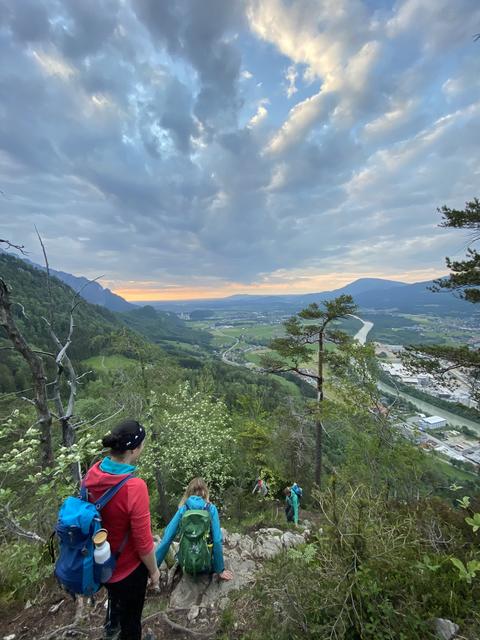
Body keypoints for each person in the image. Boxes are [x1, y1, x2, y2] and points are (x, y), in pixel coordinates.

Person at [83, 420, 158, 640]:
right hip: (127, 568)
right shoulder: (135, 487)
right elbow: (143, 543)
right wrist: (154, 571)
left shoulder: (92, 474)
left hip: (102, 563)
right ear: (134, 449)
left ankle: (111, 629)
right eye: (142, 444)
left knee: (116, 601)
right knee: (132, 622)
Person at [155, 477, 233, 581]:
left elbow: (167, 538)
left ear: (188, 492)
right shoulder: (211, 509)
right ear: (205, 492)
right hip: (207, 566)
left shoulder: (183, 510)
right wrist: (220, 570)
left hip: (187, 565)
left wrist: (154, 568)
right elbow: (217, 540)